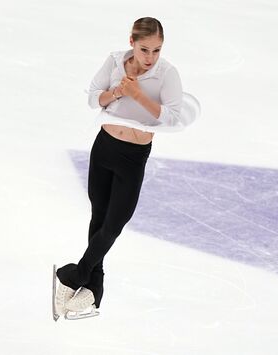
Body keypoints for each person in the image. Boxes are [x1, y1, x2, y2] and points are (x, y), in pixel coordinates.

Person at [54, 17, 190, 319]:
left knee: (116, 222)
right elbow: (93, 98)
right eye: (144, 49)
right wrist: (117, 91)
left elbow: (171, 117)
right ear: (132, 42)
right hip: (104, 146)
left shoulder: (167, 74)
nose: (150, 57)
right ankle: (93, 290)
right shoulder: (115, 61)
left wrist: (138, 94)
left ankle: (73, 275)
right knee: (99, 217)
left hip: (134, 155)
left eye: (156, 50)